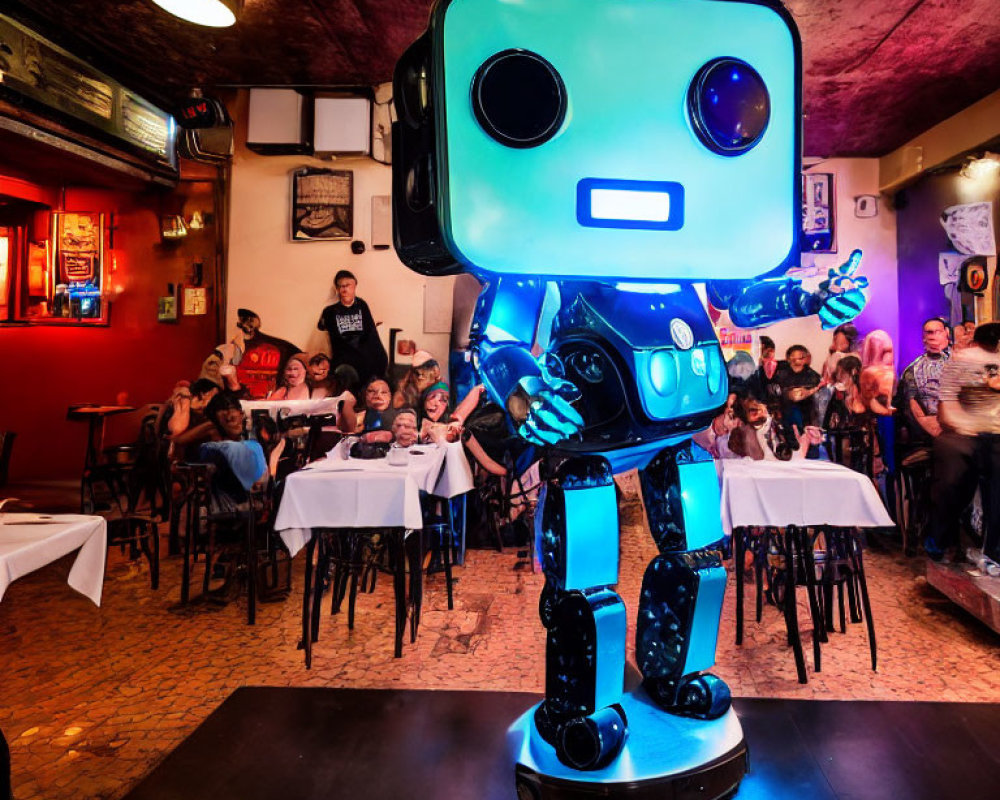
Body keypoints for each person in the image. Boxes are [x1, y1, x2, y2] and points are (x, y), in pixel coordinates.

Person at [926, 323, 1000, 561]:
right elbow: (947, 403)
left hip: (993, 433)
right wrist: (966, 427)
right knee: (954, 477)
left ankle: (993, 548)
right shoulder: (962, 361)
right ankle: (939, 537)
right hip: (962, 431)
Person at [317, 270, 388, 385]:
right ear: (337, 289)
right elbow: (333, 338)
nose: (344, 289)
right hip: (345, 355)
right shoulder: (330, 311)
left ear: (354, 286)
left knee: (373, 364)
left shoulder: (362, 305)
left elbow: (370, 332)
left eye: (347, 285)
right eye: (341, 286)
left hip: (363, 351)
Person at [898, 317, 951, 443]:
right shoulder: (913, 371)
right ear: (924, 338)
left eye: (938, 332)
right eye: (929, 333)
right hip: (929, 434)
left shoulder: (960, 363)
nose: (933, 337)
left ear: (946, 333)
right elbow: (913, 403)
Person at [727, 394, 821, 461]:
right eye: (753, 410)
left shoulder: (783, 423)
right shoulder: (746, 433)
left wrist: (807, 437)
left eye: (761, 408)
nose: (760, 412)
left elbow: (797, 456)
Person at [776, 344, 822, 441]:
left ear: (806, 359)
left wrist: (806, 393)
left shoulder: (813, 376)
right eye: (793, 358)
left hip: (807, 416)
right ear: (788, 359)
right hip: (785, 413)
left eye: (800, 358)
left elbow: (818, 398)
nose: (797, 361)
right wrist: (787, 394)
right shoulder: (780, 374)